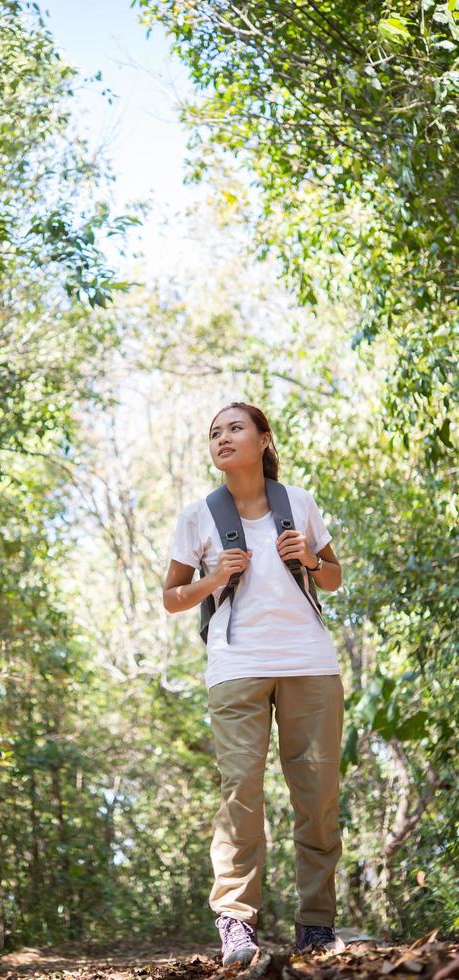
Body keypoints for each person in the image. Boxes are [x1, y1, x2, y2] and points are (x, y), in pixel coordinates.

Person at [162, 401, 347, 968]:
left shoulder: (300, 504)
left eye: (235, 427)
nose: (222, 437)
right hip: (235, 665)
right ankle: (236, 923)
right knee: (241, 793)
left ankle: (316, 924)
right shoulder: (198, 516)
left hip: (310, 663)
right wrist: (215, 577)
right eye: (214, 431)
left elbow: (335, 578)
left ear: (264, 439)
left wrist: (312, 561)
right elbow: (171, 598)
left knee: (316, 797)